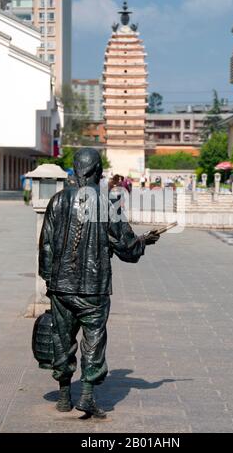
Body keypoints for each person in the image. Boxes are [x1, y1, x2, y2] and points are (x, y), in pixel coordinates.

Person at [39, 148, 160, 418]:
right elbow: (127, 249)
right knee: (93, 340)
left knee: (62, 339)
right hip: (94, 289)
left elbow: (45, 245)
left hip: (61, 287)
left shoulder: (57, 201)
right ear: (97, 172)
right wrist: (144, 241)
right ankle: (87, 396)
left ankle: (63, 397)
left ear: (75, 170)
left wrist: (49, 280)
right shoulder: (107, 205)